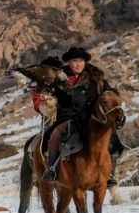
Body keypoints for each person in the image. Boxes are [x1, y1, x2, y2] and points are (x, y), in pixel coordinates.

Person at [40, 46, 118, 186]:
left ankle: (110, 173)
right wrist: (48, 101)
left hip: (91, 118)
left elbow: (108, 93)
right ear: (69, 62)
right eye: (75, 61)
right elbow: (48, 94)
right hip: (67, 118)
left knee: (112, 139)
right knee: (54, 136)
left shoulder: (96, 78)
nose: (78, 64)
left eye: (81, 61)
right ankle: (52, 168)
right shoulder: (58, 78)